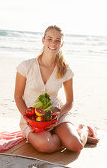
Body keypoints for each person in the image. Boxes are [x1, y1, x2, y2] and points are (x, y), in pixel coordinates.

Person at [14, 25, 99, 153]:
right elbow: (18, 97)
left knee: (76, 146)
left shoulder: (65, 71)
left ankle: (84, 130)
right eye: (49, 39)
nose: (53, 43)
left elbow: (70, 102)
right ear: (43, 40)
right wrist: (28, 119)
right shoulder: (26, 66)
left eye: (57, 40)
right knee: (46, 146)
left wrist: (58, 115)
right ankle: (65, 137)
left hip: (55, 115)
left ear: (62, 44)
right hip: (31, 118)